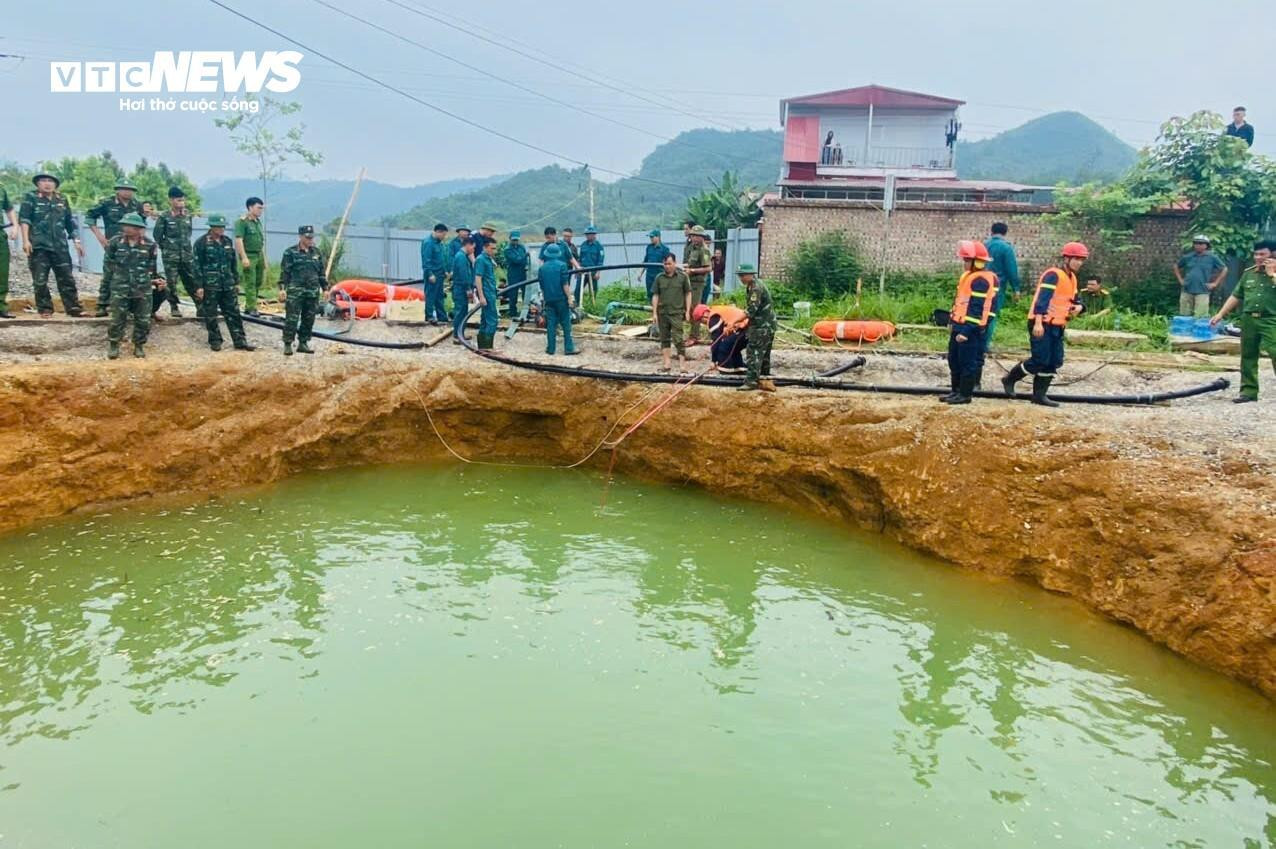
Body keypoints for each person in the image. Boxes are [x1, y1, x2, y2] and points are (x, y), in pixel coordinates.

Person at [1001, 242, 1089, 407]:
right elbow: (1042, 299)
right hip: (1042, 323)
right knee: (1039, 359)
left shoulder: (1072, 279)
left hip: (1058, 325)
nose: (1079, 262)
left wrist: (1080, 307)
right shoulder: (1053, 275)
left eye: (1082, 259)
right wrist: (1038, 323)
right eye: (1076, 259)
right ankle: (1009, 379)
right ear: (1067, 258)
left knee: (1054, 360)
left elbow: (1077, 300)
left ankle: (1039, 396)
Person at [1211, 240, 1276, 403]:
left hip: (1271, 320)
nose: (1258, 258)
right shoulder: (1249, 273)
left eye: (1263, 254)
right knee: (1248, 355)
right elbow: (1236, 296)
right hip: (1249, 319)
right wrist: (1220, 314)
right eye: (1256, 254)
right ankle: (1249, 391)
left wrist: (1272, 274)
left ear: (1273, 255)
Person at [20, 173, 85, 317]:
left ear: (55, 184)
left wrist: (76, 241)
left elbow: (69, 222)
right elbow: (25, 220)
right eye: (43, 181)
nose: (47, 183)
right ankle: (45, 309)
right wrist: (25, 240)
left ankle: (73, 308)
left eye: (50, 181)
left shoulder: (61, 199)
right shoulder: (31, 198)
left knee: (67, 278)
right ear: (37, 184)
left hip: (60, 246)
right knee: (40, 280)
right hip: (39, 246)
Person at [942, 241, 1000, 405]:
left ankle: (965, 394)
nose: (964, 263)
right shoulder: (968, 277)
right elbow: (960, 302)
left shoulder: (981, 280)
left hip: (971, 329)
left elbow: (977, 308)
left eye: (967, 260)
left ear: (978, 262)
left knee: (968, 362)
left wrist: (966, 331)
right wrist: (952, 321)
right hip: (959, 325)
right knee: (954, 360)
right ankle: (955, 391)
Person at [102, 213, 164, 359]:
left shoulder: (149, 245)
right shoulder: (115, 242)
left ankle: (139, 345)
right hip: (120, 286)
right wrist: (106, 289)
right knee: (117, 317)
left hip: (142, 288)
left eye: (130, 226)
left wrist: (154, 281)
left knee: (143, 318)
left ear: (138, 228)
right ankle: (114, 344)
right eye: (125, 225)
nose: (126, 228)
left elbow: (152, 268)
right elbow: (108, 266)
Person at [192, 214, 254, 352]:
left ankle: (240, 341)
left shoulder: (227, 241)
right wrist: (199, 286)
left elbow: (232, 263)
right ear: (212, 227)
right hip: (210, 285)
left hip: (227, 283)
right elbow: (196, 266)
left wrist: (236, 281)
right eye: (218, 227)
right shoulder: (201, 243)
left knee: (234, 312)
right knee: (211, 314)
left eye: (223, 227)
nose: (221, 229)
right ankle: (215, 340)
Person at [86, 180, 144, 316]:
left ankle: (127, 305)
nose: (127, 192)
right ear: (117, 190)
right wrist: (100, 236)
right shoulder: (107, 203)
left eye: (130, 190)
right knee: (109, 273)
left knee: (131, 274)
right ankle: (102, 305)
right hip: (113, 244)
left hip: (132, 245)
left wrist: (141, 240)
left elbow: (142, 224)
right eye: (124, 189)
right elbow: (89, 217)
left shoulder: (137, 204)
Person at [278, 225, 327, 356]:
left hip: (312, 291)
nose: (310, 239)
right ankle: (288, 343)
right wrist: (282, 289)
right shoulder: (290, 252)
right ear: (300, 236)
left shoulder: (317, 253)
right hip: (296, 291)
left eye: (312, 237)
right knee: (292, 318)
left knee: (309, 317)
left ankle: (303, 342)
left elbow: (321, 272)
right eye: (307, 237)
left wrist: (325, 288)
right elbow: (285, 272)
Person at [151, 187, 195, 319]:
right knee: (172, 282)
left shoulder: (187, 215)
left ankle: (200, 305)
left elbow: (188, 233)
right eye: (178, 200)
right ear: (171, 200)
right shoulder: (164, 216)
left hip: (186, 254)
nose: (182, 202)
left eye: (183, 200)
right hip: (171, 256)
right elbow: (157, 235)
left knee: (191, 280)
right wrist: (167, 248)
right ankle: (174, 306)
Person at [738, 263, 776, 392]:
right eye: (739, 275)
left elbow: (750, 310)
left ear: (750, 274)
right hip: (767, 325)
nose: (741, 278)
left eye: (743, 275)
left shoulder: (755, 288)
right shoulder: (752, 286)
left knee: (753, 352)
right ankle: (764, 379)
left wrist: (734, 322)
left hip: (762, 326)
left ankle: (752, 381)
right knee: (764, 354)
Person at [983, 221, 1021, 351]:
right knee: (991, 314)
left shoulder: (984, 246)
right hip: (997, 287)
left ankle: (975, 341)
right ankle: (985, 344)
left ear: (991, 231)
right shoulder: (1006, 248)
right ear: (1005, 233)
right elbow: (1012, 269)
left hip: (980, 285)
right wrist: (1016, 288)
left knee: (978, 312)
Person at [651, 253, 691, 374]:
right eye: (665, 264)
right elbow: (655, 295)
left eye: (669, 263)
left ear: (674, 263)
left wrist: (688, 311)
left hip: (677, 312)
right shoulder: (659, 278)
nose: (667, 266)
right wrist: (654, 313)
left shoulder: (682, 277)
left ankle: (682, 365)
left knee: (678, 338)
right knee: (664, 338)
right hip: (663, 313)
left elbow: (688, 293)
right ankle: (667, 363)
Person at [539, 243, 579, 356]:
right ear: (558, 254)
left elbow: (542, 287)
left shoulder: (542, 268)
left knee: (551, 324)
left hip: (549, 299)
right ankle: (569, 348)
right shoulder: (562, 265)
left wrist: (544, 300)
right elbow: (565, 284)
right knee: (566, 323)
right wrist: (569, 298)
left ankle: (550, 349)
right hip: (561, 299)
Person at [1174, 235, 1226, 317]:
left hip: (1203, 291)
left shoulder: (1212, 257)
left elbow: (1224, 269)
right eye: (1196, 243)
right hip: (1187, 289)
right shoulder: (1188, 257)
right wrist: (1180, 280)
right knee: (1184, 316)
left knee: (1200, 317)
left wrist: (1215, 283)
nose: (1198, 245)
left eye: (1201, 243)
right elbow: (1176, 266)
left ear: (1206, 245)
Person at [692, 302, 748, 372]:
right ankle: (739, 367)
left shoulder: (713, 317)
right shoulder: (717, 310)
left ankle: (727, 371)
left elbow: (716, 341)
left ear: (705, 313)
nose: (702, 323)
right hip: (747, 327)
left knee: (723, 349)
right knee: (733, 348)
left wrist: (713, 360)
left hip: (744, 327)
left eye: (700, 320)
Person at [234, 197, 267, 316]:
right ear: (250, 207)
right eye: (258, 208)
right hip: (249, 255)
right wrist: (243, 257)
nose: (260, 211)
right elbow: (239, 240)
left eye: (262, 208)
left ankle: (253, 303)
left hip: (258, 255)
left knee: (258, 281)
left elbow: (260, 241)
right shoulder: (242, 222)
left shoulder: (257, 222)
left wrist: (264, 259)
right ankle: (251, 306)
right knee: (250, 281)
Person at [684, 225, 712, 341]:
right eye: (693, 236)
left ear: (702, 237)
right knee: (686, 307)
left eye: (697, 236)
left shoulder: (704, 250)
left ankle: (694, 335)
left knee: (695, 308)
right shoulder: (691, 248)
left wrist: (693, 271)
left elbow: (708, 268)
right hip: (688, 281)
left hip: (697, 283)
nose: (695, 238)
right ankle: (690, 333)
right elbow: (688, 262)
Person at [421, 223, 450, 325]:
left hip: (440, 273)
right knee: (430, 295)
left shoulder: (439, 243)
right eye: (444, 235)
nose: (444, 237)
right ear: (438, 232)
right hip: (432, 274)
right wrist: (429, 274)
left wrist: (445, 270)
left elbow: (441, 259)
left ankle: (442, 316)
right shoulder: (428, 243)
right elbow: (426, 261)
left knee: (439, 296)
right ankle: (429, 316)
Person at [474, 235, 500, 350]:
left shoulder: (488, 259)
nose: (494, 251)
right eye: (492, 248)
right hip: (487, 294)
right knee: (492, 320)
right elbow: (478, 278)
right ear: (485, 247)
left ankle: (482, 346)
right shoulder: (481, 259)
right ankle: (488, 347)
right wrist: (482, 297)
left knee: (485, 320)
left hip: (490, 292)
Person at [450, 234, 476, 342]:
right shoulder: (461, 257)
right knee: (460, 312)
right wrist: (468, 289)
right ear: (468, 245)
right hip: (460, 288)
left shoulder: (462, 256)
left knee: (463, 311)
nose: (473, 250)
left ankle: (460, 334)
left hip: (461, 288)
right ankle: (457, 336)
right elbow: (463, 274)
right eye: (473, 247)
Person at [503, 230, 529, 318]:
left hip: (523, 273)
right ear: (510, 239)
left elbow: (525, 260)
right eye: (513, 240)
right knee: (513, 294)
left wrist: (526, 263)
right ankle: (512, 313)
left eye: (517, 240)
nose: (515, 241)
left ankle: (526, 311)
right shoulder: (507, 250)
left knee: (526, 293)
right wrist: (525, 256)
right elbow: (517, 260)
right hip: (513, 274)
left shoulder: (521, 247)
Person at [0, 183, 16, 318]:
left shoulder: (1, 189)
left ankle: (0, 307)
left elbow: (9, 209)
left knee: (2, 272)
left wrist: (15, 226)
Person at [642, 229, 672, 299]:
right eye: (650, 237)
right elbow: (645, 261)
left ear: (658, 237)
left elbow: (668, 262)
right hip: (649, 274)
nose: (651, 239)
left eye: (652, 237)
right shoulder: (649, 247)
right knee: (650, 293)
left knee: (660, 293)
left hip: (659, 274)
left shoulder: (665, 249)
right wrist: (640, 273)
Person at [577, 225, 604, 301]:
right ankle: (577, 305)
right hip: (583, 270)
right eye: (587, 234)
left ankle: (592, 305)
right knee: (578, 290)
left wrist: (598, 273)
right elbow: (580, 258)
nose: (588, 236)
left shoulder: (599, 246)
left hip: (593, 271)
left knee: (593, 290)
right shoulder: (583, 245)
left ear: (594, 235)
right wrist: (578, 270)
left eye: (590, 234)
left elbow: (600, 260)